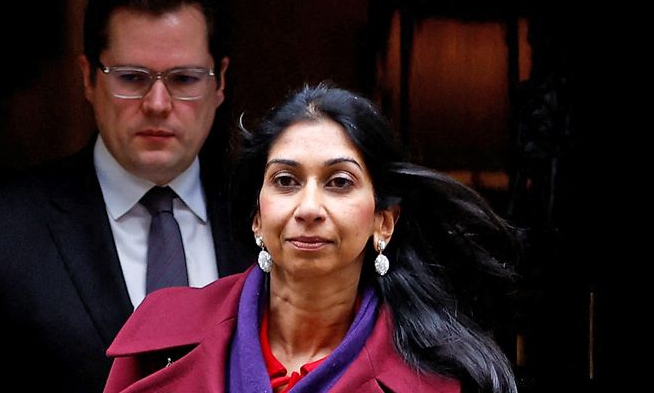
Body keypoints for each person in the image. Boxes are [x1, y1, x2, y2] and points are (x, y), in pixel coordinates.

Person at [0, 0, 253, 391]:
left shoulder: (262, 221)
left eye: (184, 79)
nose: (158, 103)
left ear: (220, 83)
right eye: (131, 78)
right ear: (88, 78)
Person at [103, 84, 519, 393]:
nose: (308, 208)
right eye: (286, 181)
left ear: (384, 222)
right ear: (256, 217)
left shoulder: (436, 380)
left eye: (339, 182)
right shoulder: (162, 337)